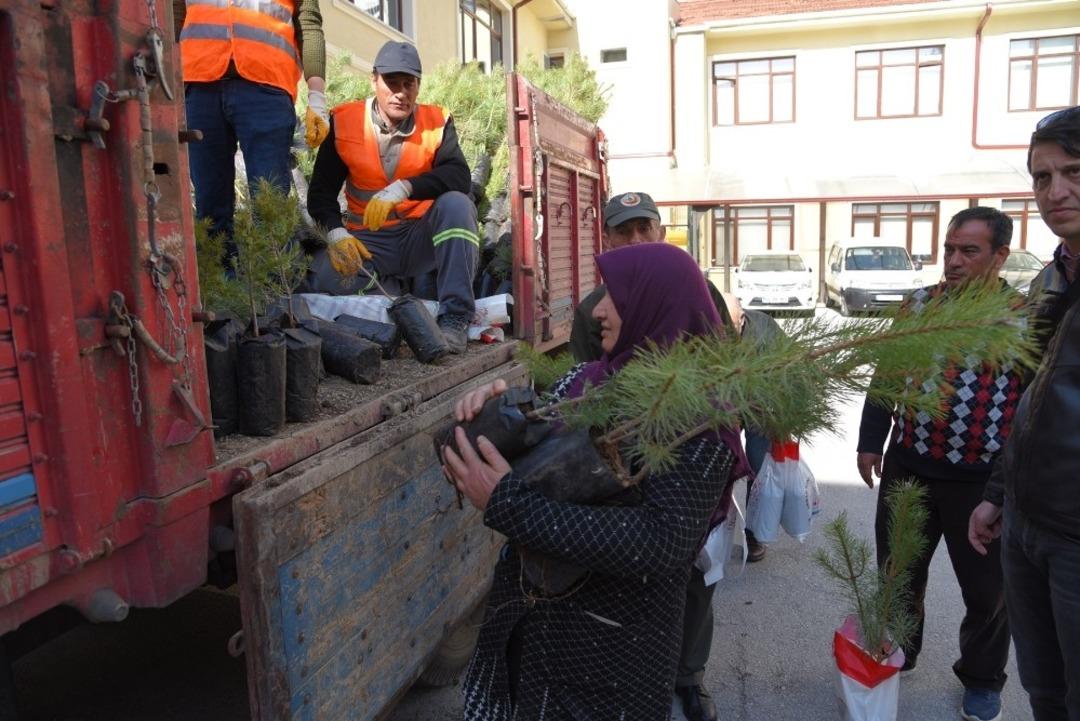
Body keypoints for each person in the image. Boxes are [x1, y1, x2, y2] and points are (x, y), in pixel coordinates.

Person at [443, 242, 744, 721]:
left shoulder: (699, 421)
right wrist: (490, 420)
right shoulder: (584, 381)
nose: (598, 310)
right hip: (525, 633)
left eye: (616, 297)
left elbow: (661, 541)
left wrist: (509, 504)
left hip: (610, 661)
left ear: (657, 301)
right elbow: (526, 464)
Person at [565, 191, 770, 721]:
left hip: (690, 452)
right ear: (607, 238)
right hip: (627, 462)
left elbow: (724, 364)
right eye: (623, 232)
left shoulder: (694, 288)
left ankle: (688, 677)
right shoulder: (597, 306)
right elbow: (588, 387)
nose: (635, 239)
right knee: (632, 578)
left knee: (697, 574)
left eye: (644, 229)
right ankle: (632, 672)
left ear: (660, 232)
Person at [857, 206, 1021, 721]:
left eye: (968, 251)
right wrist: (869, 442)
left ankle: (981, 679)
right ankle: (901, 652)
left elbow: (1034, 404)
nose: (952, 260)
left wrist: (1008, 487)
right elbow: (886, 376)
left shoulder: (1023, 317)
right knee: (900, 573)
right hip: (909, 469)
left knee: (988, 593)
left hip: (982, 482)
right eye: (949, 249)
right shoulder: (918, 305)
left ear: (1000, 256)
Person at [969, 106, 1080, 721]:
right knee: (1046, 693)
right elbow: (1027, 401)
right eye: (1042, 176)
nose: (1055, 191)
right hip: (1027, 526)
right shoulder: (1050, 277)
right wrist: (998, 492)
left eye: (1074, 172)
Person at [305, 41, 479, 354]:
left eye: (408, 84)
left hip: (417, 238)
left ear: (418, 86)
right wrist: (336, 233)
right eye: (392, 83)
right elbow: (320, 195)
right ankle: (390, 289)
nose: (400, 92)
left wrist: (405, 188)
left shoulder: (437, 122)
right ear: (374, 80)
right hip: (369, 243)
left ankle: (455, 317)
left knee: (458, 204)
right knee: (321, 280)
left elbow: (459, 176)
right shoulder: (344, 121)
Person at [178, 0, 327, 263]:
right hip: (200, 86)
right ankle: (219, 294)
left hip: (266, 89)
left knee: (269, 206)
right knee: (210, 207)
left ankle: (274, 295)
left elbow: (309, 24)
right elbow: (173, 15)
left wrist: (317, 95)